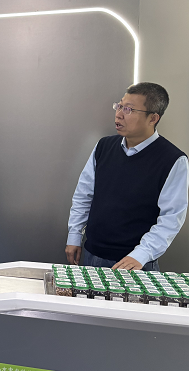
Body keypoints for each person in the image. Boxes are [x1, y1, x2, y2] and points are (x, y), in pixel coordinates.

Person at [66, 82, 188, 271]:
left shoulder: (173, 160)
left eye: (129, 109)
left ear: (153, 118)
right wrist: (74, 235)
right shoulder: (104, 146)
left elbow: (171, 218)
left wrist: (141, 255)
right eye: (119, 106)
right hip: (92, 255)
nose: (119, 114)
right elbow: (84, 194)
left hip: (134, 264)